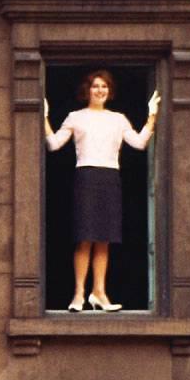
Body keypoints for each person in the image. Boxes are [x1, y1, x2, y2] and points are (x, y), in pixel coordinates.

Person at [43, 69, 159, 312]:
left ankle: (99, 293)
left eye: (104, 86)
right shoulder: (76, 116)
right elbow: (53, 144)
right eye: (95, 86)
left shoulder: (118, 119)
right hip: (86, 176)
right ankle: (78, 295)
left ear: (109, 90)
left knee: (104, 240)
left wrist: (152, 117)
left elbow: (138, 143)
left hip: (110, 177)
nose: (100, 90)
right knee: (85, 238)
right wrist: (43, 117)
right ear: (88, 90)